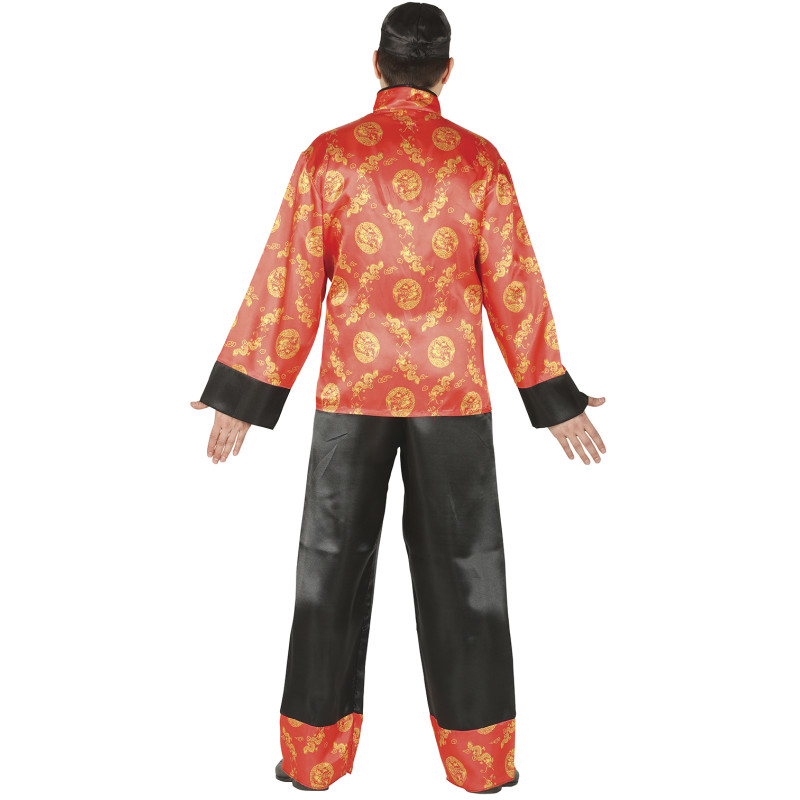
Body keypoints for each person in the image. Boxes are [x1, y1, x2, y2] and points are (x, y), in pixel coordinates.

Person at [190, 2, 606, 792]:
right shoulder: (478, 160)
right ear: (448, 72)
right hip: (454, 398)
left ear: (375, 64)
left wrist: (243, 392)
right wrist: (555, 397)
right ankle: (482, 764)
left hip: (353, 393)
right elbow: (513, 282)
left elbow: (290, 277)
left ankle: (311, 759)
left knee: (328, 570)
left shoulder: (329, 156)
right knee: (469, 574)